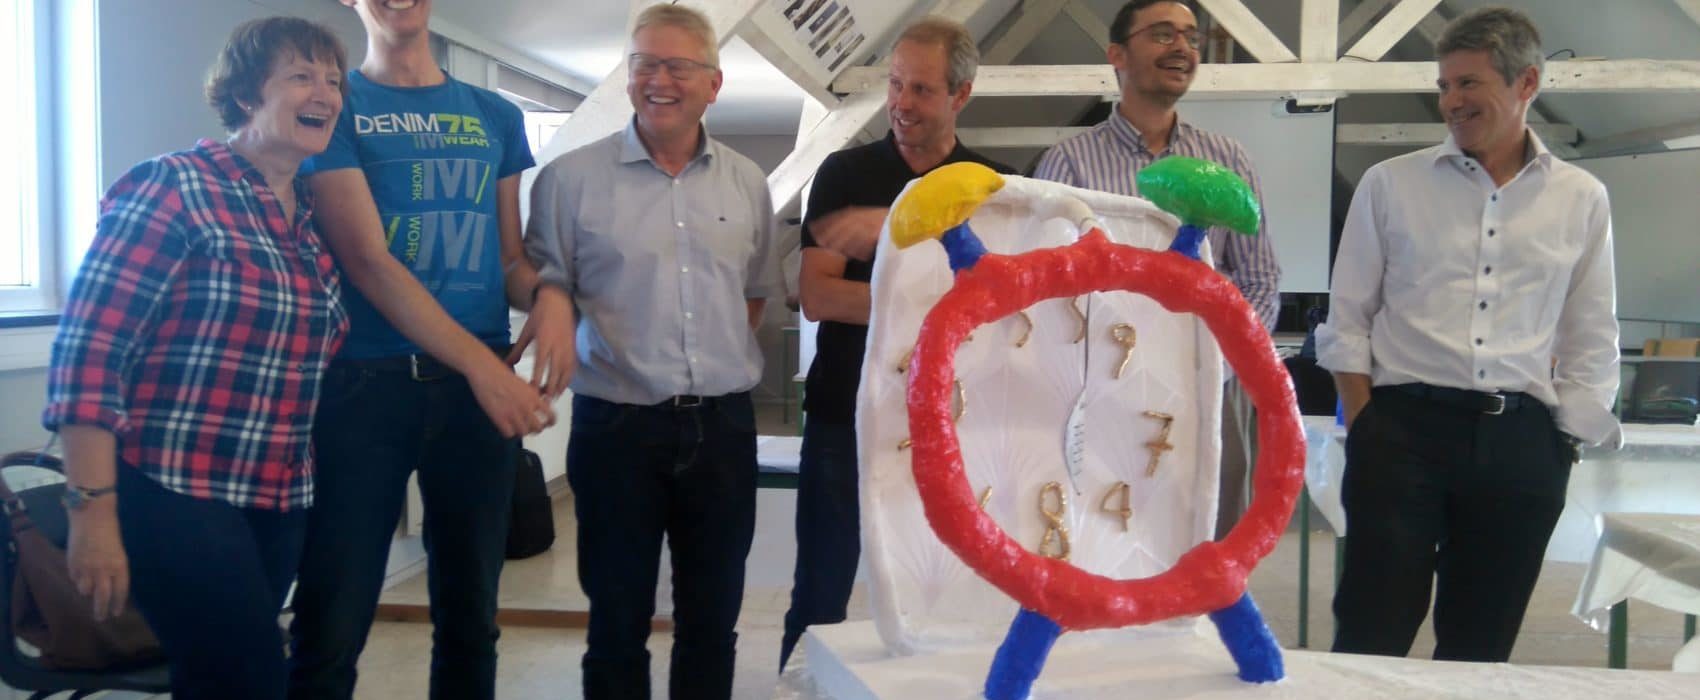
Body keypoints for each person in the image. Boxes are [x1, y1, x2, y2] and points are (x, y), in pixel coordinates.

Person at [42, 17, 348, 698]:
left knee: (220, 680)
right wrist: (91, 513)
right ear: (245, 94)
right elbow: (89, 351)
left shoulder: (308, 217)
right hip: (173, 486)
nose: (325, 93)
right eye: (301, 75)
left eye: (333, 81)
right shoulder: (175, 186)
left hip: (275, 494)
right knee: (248, 679)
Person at [1316, 6, 1620, 663]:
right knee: (1371, 633)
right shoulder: (1390, 184)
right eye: (1445, 85)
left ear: (1526, 83)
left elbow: (1592, 327)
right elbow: (1348, 317)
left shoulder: (1581, 197)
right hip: (1402, 432)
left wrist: (1562, 440)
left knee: (1481, 648)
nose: (1452, 101)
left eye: (1469, 83)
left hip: (1521, 444)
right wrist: (1367, 425)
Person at [285, 1, 557, 697]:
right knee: (332, 616)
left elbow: (509, 260)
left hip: (475, 398)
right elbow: (367, 261)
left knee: (472, 616)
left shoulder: (496, 115)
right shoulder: (331, 107)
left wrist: (552, 295)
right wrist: (484, 367)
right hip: (364, 386)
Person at [523, 4, 784, 698]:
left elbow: (753, 297)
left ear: (714, 84)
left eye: (677, 66)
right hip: (617, 431)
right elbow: (544, 287)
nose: (657, 81)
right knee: (616, 624)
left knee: (711, 623)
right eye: (643, 65)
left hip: (723, 429)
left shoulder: (746, 182)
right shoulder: (568, 181)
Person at [777, 16, 1015, 671]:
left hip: (952, 423)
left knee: (949, 597)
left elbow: (1002, 313)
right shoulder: (843, 173)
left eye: (922, 90)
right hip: (844, 416)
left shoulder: (995, 187)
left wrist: (889, 232)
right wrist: (947, 305)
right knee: (820, 593)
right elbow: (819, 297)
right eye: (895, 84)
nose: (901, 103)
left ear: (961, 95)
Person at [1032, 0, 1280, 539]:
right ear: (1117, 55)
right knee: (1102, 536)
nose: (1183, 48)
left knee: (1213, 539)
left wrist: (1218, 363)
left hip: (1209, 386)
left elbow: (1259, 279)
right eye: (1163, 34)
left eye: (1191, 36)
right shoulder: (1069, 162)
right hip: (1102, 390)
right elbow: (1049, 288)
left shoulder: (1227, 159)